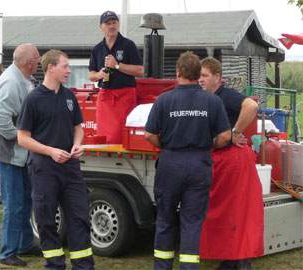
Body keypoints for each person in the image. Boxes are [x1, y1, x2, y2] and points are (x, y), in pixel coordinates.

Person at [145, 51, 232, 270]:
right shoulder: (212, 101)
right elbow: (225, 136)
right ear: (197, 74)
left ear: (178, 72)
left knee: (165, 220)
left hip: (170, 162)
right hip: (199, 164)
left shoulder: (164, 100)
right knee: (192, 222)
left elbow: (149, 134)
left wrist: (165, 145)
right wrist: (208, 145)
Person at [17, 49, 95, 270]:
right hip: (44, 168)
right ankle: (55, 265)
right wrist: (50, 151)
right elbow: (22, 138)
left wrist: (78, 143)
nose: (69, 71)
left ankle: (83, 265)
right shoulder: (33, 99)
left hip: (70, 168)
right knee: (47, 220)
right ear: (51, 67)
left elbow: (78, 128)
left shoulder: (69, 97)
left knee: (80, 217)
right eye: (65, 66)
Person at [198, 57, 263, 270]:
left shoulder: (225, 96)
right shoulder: (206, 98)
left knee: (236, 215)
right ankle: (230, 260)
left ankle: (240, 262)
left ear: (218, 78)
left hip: (233, 161)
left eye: (205, 76)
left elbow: (251, 105)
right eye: (199, 76)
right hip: (222, 161)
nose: (201, 80)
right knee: (226, 217)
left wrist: (236, 131)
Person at [0, 43, 41, 267]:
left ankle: (25, 244)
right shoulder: (11, 83)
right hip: (9, 153)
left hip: (21, 153)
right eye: (37, 58)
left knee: (26, 199)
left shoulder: (25, 78)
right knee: (14, 203)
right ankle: (7, 253)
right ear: (28, 62)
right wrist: (19, 138)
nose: (39, 61)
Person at [88, 10, 144, 144]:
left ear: (118, 25)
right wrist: (99, 75)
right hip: (105, 97)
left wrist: (117, 65)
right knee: (103, 136)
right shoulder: (97, 49)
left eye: (114, 22)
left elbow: (140, 70)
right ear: (101, 27)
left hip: (124, 96)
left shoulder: (128, 45)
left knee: (122, 136)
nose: (112, 26)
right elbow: (91, 75)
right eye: (108, 23)